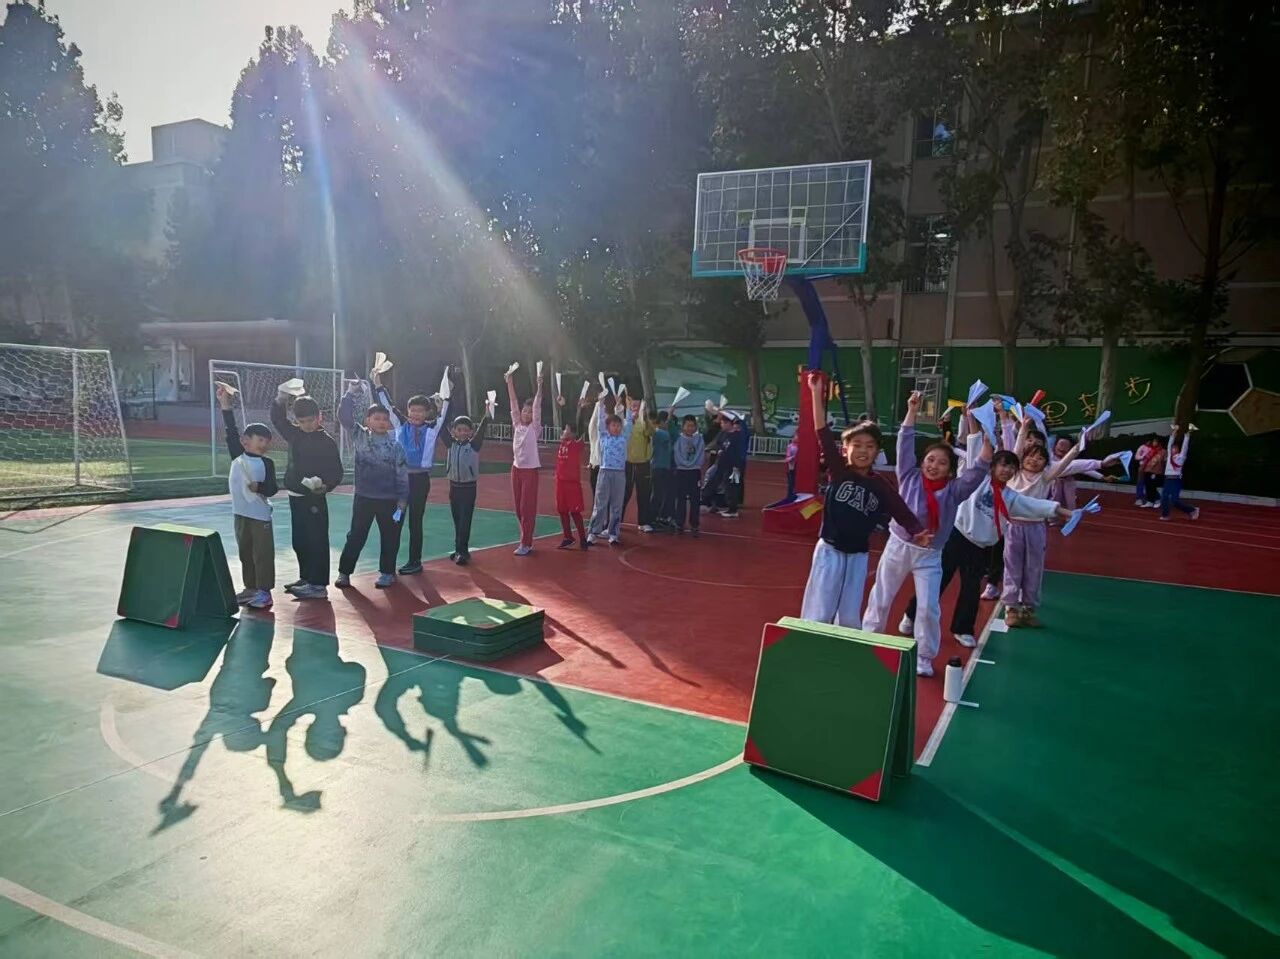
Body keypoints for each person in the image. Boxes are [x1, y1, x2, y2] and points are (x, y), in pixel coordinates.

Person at [861, 391, 992, 677]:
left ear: (950, 470)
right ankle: (868, 639)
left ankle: (923, 657)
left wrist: (988, 439)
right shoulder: (909, 476)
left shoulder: (955, 491)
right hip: (898, 546)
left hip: (930, 556)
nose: (934, 466)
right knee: (881, 596)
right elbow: (905, 442)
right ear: (922, 462)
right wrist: (912, 409)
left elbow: (978, 470)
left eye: (942, 463)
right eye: (930, 460)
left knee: (928, 608)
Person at [903, 436, 1076, 648]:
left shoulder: (1010, 497)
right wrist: (980, 431)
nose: (1006, 470)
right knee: (936, 582)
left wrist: (1068, 513)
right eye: (1003, 465)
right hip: (956, 537)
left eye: (1011, 467)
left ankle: (962, 629)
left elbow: (1036, 505)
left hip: (979, 547)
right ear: (992, 466)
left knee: (971, 588)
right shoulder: (978, 480)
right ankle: (911, 615)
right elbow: (976, 448)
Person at [799, 373, 929, 628]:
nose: (863, 450)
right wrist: (815, 393)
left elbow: (900, 509)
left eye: (869, 446)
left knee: (849, 615)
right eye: (857, 445)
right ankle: (811, 641)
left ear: (877, 451)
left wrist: (917, 531)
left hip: (858, 555)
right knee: (820, 611)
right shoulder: (839, 471)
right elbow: (822, 432)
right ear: (845, 449)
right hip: (830, 550)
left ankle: (844, 647)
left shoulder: (880, 485)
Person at [1000, 415, 1088, 626]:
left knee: (1034, 569)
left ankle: (1028, 608)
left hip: (1036, 528)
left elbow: (1065, 463)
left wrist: (1079, 445)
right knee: (1012, 567)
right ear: (1022, 458)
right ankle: (1010, 607)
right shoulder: (1014, 474)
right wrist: (1023, 428)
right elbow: (1017, 449)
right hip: (1014, 527)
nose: (1034, 460)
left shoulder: (1046, 477)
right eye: (1031, 456)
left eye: (1040, 458)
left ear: (1046, 463)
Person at [372, 368, 449, 575]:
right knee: (395, 520)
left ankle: (415, 561)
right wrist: (378, 384)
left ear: (427, 413)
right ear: (407, 410)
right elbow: (388, 405)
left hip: (420, 481)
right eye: (412, 410)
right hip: (400, 480)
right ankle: (388, 565)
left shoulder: (432, 428)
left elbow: (444, 412)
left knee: (415, 522)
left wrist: (446, 397)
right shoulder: (400, 424)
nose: (415, 414)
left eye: (420, 411)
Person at [270, 390, 344, 600]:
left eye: (311, 420)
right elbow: (277, 419)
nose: (307, 425)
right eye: (302, 422)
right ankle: (306, 577)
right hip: (295, 496)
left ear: (319, 417)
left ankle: (318, 585)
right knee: (300, 540)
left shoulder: (326, 441)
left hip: (314, 498)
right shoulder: (294, 434)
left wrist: (326, 486)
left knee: (316, 539)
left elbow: (336, 471)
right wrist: (281, 399)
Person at [336, 384, 408, 589]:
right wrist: (350, 394)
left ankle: (387, 573)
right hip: (364, 498)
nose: (381, 422)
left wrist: (402, 501)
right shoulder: (360, 436)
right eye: (376, 418)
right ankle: (344, 572)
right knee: (356, 535)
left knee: (390, 537)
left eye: (385, 419)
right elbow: (344, 417)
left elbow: (402, 475)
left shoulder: (395, 446)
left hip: (389, 501)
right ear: (367, 420)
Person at [217, 384, 278, 609]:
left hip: (259, 516)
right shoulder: (238, 457)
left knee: (262, 554)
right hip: (240, 513)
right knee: (245, 552)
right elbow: (231, 431)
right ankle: (250, 588)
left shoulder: (267, 463)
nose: (263, 444)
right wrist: (225, 405)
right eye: (259, 440)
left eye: (266, 441)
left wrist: (259, 486)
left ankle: (264, 592)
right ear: (246, 441)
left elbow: (272, 489)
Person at [440, 412, 488, 565]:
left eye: (466, 430)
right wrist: (441, 409)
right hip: (454, 487)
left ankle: (463, 551)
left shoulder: (473, 445)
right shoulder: (451, 444)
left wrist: (486, 416)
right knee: (457, 519)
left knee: (465, 520)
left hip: (468, 489)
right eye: (459, 429)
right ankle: (458, 549)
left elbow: (481, 430)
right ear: (453, 431)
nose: (462, 433)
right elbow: (441, 426)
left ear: (471, 432)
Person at [587, 392, 634, 545]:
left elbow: (629, 423)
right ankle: (593, 532)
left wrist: (628, 407)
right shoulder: (603, 436)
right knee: (600, 504)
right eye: (613, 425)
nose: (617, 427)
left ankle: (613, 533)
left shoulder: (624, 437)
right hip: (604, 472)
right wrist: (600, 404)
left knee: (616, 505)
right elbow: (600, 422)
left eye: (619, 425)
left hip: (619, 474)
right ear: (608, 427)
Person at [506, 367, 544, 556]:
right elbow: (513, 402)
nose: (527, 414)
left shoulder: (534, 429)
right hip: (516, 469)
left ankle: (526, 542)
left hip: (530, 471)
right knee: (518, 508)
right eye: (524, 411)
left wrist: (539, 386)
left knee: (526, 508)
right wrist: (509, 382)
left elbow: (537, 407)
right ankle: (525, 537)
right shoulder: (517, 425)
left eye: (529, 412)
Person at [554, 396, 591, 549]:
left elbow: (579, 427)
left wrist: (581, 410)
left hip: (572, 485)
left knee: (575, 512)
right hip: (560, 483)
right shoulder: (563, 442)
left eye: (566, 430)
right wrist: (562, 406)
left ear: (573, 434)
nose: (564, 431)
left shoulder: (576, 445)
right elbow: (566, 422)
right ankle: (568, 537)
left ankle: (582, 539)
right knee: (562, 511)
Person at [701, 410, 746, 518]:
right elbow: (717, 444)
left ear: (729, 423)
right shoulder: (723, 434)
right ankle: (708, 501)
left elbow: (739, 452)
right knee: (713, 481)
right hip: (721, 464)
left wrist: (737, 466)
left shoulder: (738, 436)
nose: (721, 425)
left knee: (731, 486)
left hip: (734, 466)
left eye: (723, 423)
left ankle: (732, 509)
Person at [622, 397, 657, 533]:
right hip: (628, 463)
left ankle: (643, 522)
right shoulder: (625, 423)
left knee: (644, 494)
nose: (635, 408)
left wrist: (645, 418)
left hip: (643, 464)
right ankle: (615, 521)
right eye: (633, 406)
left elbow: (651, 432)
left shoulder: (644, 422)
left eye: (638, 406)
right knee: (624, 493)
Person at [672, 413, 705, 536]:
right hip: (681, 472)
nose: (690, 428)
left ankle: (694, 524)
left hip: (694, 472)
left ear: (695, 427)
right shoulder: (678, 439)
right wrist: (685, 464)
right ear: (683, 426)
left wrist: (693, 464)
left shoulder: (699, 439)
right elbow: (677, 454)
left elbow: (701, 455)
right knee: (680, 499)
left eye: (692, 426)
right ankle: (679, 523)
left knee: (695, 499)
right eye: (688, 425)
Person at [1161, 425, 1200, 522]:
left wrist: (1187, 435)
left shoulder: (1181, 456)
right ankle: (1165, 515)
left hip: (1176, 480)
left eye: (1175, 448)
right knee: (1164, 497)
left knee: (1174, 501)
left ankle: (1192, 510)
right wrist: (1174, 431)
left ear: (1178, 449)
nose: (1173, 449)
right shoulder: (1169, 456)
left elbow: (1185, 447)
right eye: (1172, 448)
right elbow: (1170, 443)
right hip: (1167, 479)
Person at [650, 409, 675, 527]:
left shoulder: (661, 433)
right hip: (658, 467)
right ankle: (653, 517)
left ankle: (657, 517)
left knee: (661, 493)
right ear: (661, 422)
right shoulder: (659, 433)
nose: (667, 423)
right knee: (658, 494)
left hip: (663, 467)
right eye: (666, 421)